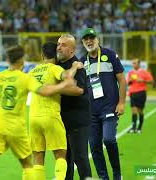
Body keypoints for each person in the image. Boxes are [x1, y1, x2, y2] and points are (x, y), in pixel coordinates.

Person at [0, 45, 74, 180]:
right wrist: (66, 81)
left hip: (2, 125)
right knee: (37, 162)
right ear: (21, 61)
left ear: (7, 60)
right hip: (23, 125)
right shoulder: (25, 78)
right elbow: (47, 90)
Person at [29, 42, 84, 180]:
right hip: (50, 116)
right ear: (56, 55)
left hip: (33, 118)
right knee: (60, 155)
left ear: (42, 55)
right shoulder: (54, 68)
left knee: (37, 156)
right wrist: (74, 67)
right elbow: (67, 76)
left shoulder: (32, 71)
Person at [80, 28, 126, 180]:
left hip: (109, 108)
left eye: (91, 38)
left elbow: (122, 80)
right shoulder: (81, 61)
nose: (89, 41)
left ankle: (117, 174)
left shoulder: (110, 55)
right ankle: (103, 177)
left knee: (109, 139)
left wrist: (121, 103)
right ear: (82, 42)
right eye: (86, 39)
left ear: (97, 39)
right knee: (94, 147)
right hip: (91, 112)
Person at [57, 34, 92, 180]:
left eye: (63, 45)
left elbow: (79, 90)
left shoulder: (78, 66)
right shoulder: (56, 66)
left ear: (72, 50)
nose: (59, 47)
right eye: (58, 44)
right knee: (65, 160)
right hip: (61, 119)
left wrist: (53, 88)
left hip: (77, 119)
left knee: (80, 158)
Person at [126, 58, 153, 133]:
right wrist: (130, 81)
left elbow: (151, 81)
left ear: (139, 64)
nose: (133, 64)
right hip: (132, 93)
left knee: (140, 111)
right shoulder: (130, 72)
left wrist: (143, 80)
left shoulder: (144, 72)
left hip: (141, 93)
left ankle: (139, 128)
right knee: (134, 110)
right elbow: (128, 83)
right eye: (133, 63)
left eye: (135, 63)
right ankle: (133, 128)